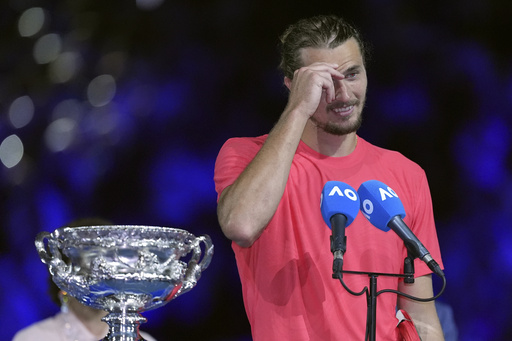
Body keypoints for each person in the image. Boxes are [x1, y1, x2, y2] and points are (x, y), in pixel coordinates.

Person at [214, 14, 445, 340]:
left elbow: (421, 317)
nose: (343, 93)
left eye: (352, 74)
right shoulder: (246, 156)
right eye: (324, 82)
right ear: (291, 85)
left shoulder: (406, 174)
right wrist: (298, 110)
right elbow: (241, 225)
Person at [13, 218, 157, 341]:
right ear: (62, 276)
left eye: (108, 264)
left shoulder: (143, 339)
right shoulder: (32, 337)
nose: (99, 278)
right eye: (88, 264)